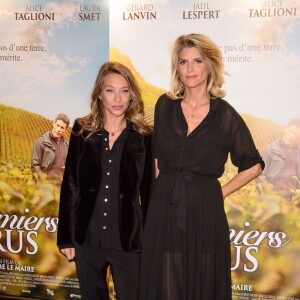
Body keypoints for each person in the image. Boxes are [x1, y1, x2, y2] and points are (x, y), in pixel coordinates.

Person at [139, 33, 264, 300]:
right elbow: (158, 162)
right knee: (166, 282)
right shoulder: (165, 105)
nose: (190, 69)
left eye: (197, 61)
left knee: (203, 283)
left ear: (209, 65)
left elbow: (253, 164)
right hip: (164, 206)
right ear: (177, 67)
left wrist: (219, 193)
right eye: (183, 62)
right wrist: (156, 206)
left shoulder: (225, 114)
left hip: (205, 210)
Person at [57, 62, 153, 300]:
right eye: (110, 90)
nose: (117, 98)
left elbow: (149, 191)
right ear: (100, 94)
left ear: (132, 95)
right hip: (87, 240)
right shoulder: (82, 130)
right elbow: (71, 185)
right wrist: (66, 237)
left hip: (129, 242)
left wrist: (152, 240)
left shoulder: (144, 136)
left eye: (124, 90)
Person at [257, 118, 300, 201]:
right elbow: (260, 173)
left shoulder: (298, 152)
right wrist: (269, 192)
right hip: (273, 196)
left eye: (295, 133)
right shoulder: (270, 148)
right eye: (290, 131)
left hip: (292, 197)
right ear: (285, 129)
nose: (291, 136)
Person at [31, 113, 70, 184]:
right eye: (58, 125)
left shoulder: (66, 145)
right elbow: (35, 165)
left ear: (66, 129)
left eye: (62, 127)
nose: (59, 129)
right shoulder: (41, 141)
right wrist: (43, 182)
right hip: (46, 187)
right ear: (53, 123)